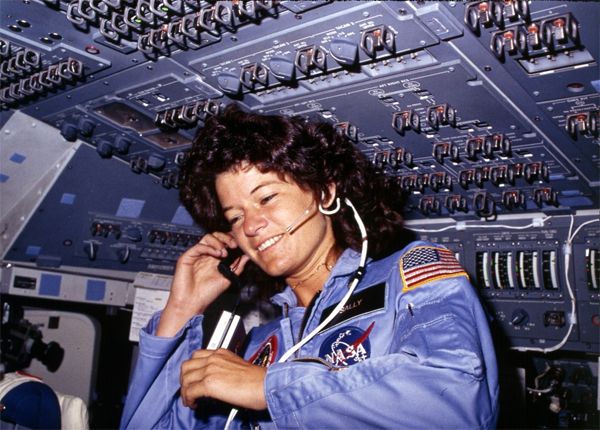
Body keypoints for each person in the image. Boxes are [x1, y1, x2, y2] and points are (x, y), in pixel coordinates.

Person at [120, 104, 499, 429]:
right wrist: (181, 311)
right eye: (235, 217)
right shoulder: (257, 347)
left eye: (266, 197)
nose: (250, 226)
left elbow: (456, 401)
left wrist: (267, 388)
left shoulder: (410, 273)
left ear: (326, 192)